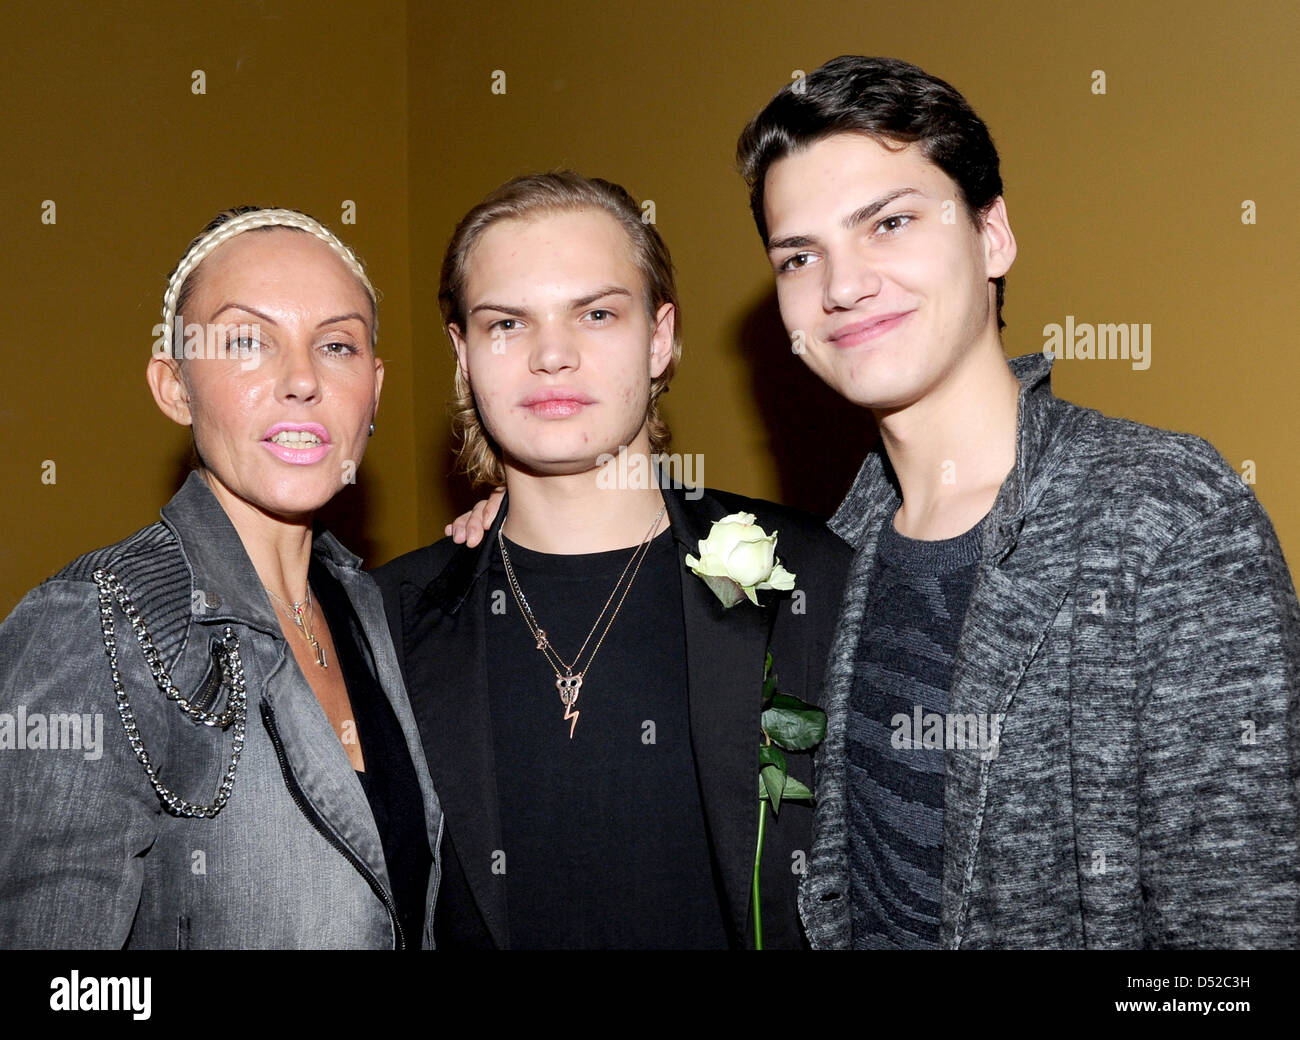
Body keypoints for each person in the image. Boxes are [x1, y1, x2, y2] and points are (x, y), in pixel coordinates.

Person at [731, 55, 1300, 948]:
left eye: (889, 222)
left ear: (992, 236)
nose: (841, 286)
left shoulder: (1169, 517)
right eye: (801, 256)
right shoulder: (822, 556)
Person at [372, 172, 849, 949]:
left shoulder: (810, 577)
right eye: (507, 323)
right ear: (463, 353)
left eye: (596, 313)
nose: (551, 356)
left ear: (660, 337)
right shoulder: (385, 617)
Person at [0, 207, 442, 949]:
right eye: (245, 341)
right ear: (174, 387)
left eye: (336, 345)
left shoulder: (372, 609)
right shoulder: (93, 624)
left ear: (374, 388)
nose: (302, 379)